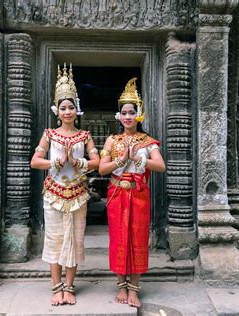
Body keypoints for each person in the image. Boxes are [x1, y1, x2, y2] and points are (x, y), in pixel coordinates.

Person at [30, 64, 100, 306]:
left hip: (78, 195)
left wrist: (76, 161)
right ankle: (56, 287)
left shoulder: (85, 136)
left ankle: (70, 287)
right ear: (56, 111)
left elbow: (97, 162)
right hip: (53, 194)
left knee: (75, 240)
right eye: (63, 108)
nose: (67, 111)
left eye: (71, 107)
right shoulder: (49, 134)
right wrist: (55, 162)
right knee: (54, 239)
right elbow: (35, 161)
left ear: (76, 110)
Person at [99, 78, 165, 308]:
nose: (127, 116)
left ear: (139, 114)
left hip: (138, 195)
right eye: (124, 112)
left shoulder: (147, 141)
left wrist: (138, 158)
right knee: (118, 239)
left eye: (131, 112)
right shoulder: (112, 140)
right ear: (119, 116)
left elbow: (161, 166)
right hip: (117, 193)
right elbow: (102, 168)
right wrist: (122, 159)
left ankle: (134, 289)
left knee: (137, 239)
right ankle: (121, 286)